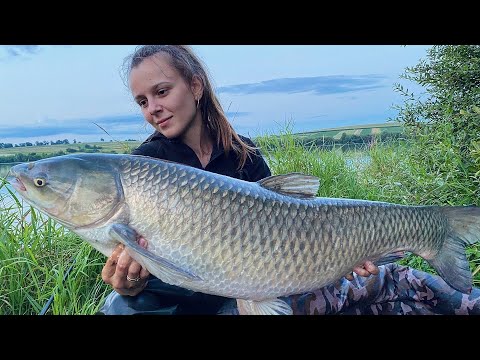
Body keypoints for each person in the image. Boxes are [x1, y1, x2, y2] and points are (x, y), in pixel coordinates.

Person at [99, 45, 480, 315]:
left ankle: (446, 258)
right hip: (202, 304)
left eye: (161, 92)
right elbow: (141, 277)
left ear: (195, 87)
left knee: (388, 277)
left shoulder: (242, 153)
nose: (153, 109)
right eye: (142, 101)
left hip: (268, 290)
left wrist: (347, 255)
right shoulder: (146, 169)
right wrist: (128, 284)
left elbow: (291, 217)